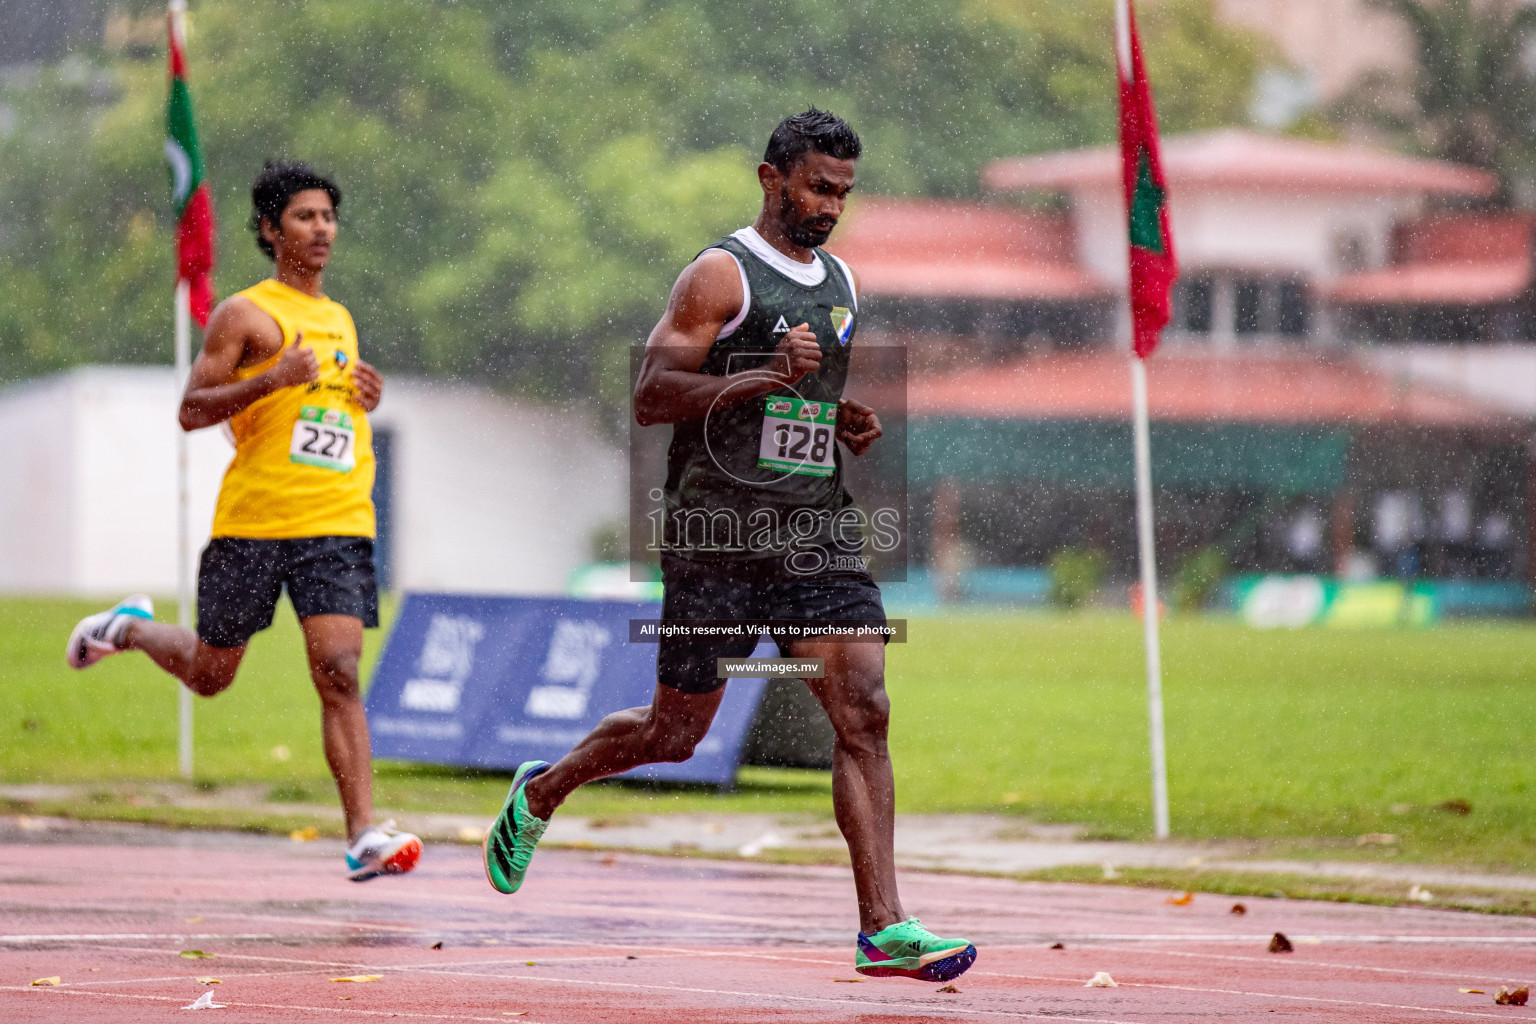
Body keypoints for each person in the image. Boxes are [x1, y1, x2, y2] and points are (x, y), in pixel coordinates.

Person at [481, 109, 975, 983]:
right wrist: (763, 374)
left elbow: (801, 401)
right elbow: (651, 394)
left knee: (864, 707)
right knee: (674, 733)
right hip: (716, 540)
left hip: (815, 532)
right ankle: (542, 792)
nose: (831, 207)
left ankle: (882, 926)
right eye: (819, 187)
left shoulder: (842, 283)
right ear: (771, 177)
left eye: (844, 193)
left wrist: (837, 415)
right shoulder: (721, 276)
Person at [66, 160, 421, 883]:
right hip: (255, 525)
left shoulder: (340, 318)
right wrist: (270, 379)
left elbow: (318, 414)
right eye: (304, 217)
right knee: (210, 673)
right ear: (270, 229)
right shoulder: (245, 314)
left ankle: (362, 835)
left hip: (337, 520)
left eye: (328, 216)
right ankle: (127, 628)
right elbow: (193, 411)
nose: (321, 229)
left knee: (341, 672)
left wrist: (365, 396)